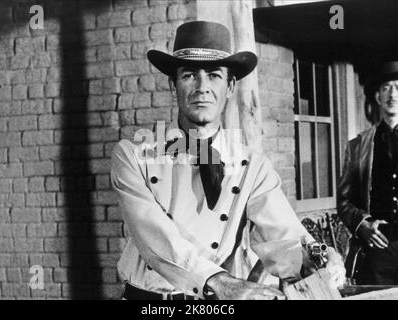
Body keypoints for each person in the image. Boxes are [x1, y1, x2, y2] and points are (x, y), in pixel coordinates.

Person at [111, 20, 345, 300]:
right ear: (173, 86)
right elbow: (156, 240)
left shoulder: (252, 166)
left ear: (231, 86)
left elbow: (282, 236)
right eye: (188, 75)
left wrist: (317, 256)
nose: (201, 87)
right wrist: (223, 283)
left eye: (213, 75)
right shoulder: (134, 156)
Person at [338, 61, 398, 285]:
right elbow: (344, 202)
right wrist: (363, 225)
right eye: (386, 88)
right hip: (377, 251)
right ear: (377, 97)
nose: (393, 94)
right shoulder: (358, 146)